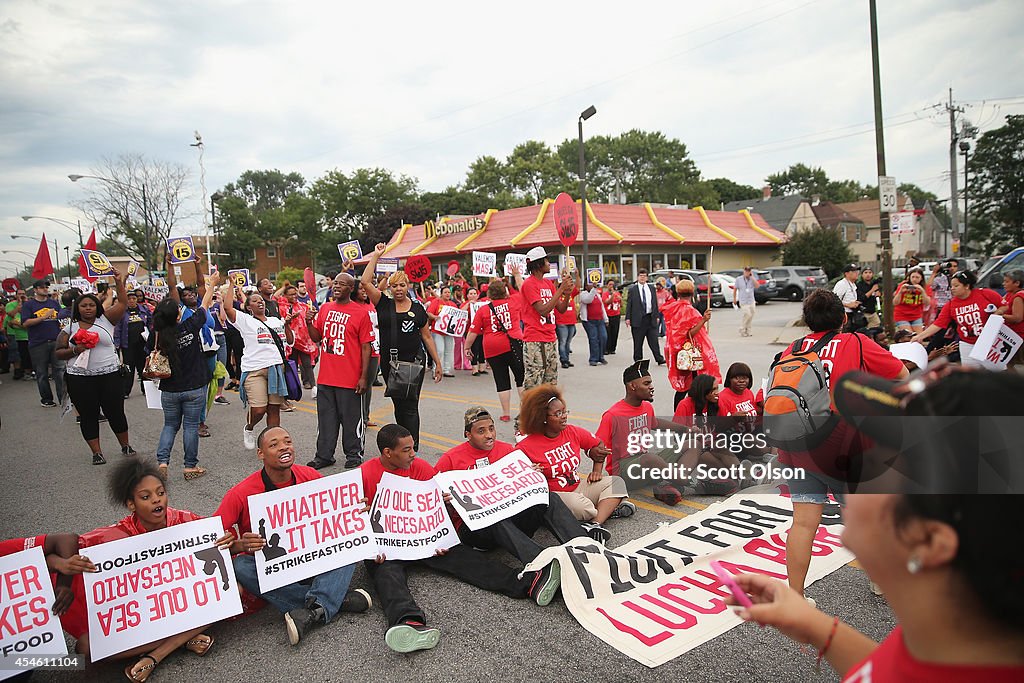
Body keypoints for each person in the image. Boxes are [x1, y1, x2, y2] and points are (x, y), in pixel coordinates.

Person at [731, 370, 1024, 681]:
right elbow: (894, 671)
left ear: (926, 541)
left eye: (875, 463)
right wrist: (814, 627)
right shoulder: (954, 636)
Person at [362, 424, 559, 653]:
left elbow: (437, 508)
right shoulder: (365, 474)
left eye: (413, 447)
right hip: (388, 546)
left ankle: (528, 584)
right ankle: (408, 623)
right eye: (406, 450)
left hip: (423, 539)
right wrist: (371, 546)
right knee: (386, 575)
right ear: (387, 452)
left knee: (467, 559)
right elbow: (354, 520)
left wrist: (442, 526)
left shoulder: (420, 467)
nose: (413, 454)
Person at [776, 289, 908, 600]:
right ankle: (880, 580)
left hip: (796, 443)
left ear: (808, 322)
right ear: (844, 317)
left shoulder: (792, 348)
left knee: (804, 523)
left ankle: (795, 596)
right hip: (841, 445)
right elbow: (900, 375)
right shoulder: (857, 342)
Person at [215, 426, 370, 646]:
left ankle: (311, 610)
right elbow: (211, 538)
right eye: (274, 444)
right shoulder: (240, 493)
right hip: (276, 569)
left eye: (287, 441)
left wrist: (356, 509)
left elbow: (338, 513)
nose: (283, 447)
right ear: (261, 454)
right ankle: (331, 600)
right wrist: (240, 544)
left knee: (350, 540)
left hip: (313, 559)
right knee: (241, 566)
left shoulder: (309, 475)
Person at [68, 458, 217, 679]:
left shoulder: (184, 520)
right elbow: (73, 545)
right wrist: (68, 562)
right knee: (86, 647)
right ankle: (185, 639)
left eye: (160, 493)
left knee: (233, 590)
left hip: (182, 606)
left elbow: (215, 543)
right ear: (131, 504)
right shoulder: (115, 535)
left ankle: (156, 655)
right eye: (146, 497)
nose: (157, 500)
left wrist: (232, 543)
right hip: (143, 616)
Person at [436, 407, 594, 554]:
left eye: (491, 428)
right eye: (481, 431)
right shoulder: (450, 459)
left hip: (512, 519)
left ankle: (585, 546)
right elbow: (429, 498)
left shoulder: (508, 450)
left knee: (549, 497)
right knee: (494, 517)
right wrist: (444, 501)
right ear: (468, 434)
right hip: (477, 530)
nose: (489, 435)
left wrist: (533, 474)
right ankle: (540, 562)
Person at [516, 385, 633, 535]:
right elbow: (515, 476)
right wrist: (529, 472)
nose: (564, 416)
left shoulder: (571, 431)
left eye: (565, 411)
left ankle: (594, 524)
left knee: (616, 483)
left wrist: (597, 471)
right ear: (542, 418)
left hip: (578, 488)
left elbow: (598, 445)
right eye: (558, 413)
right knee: (584, 507)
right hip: (555, 497)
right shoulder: (525, 446)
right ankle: (608, 510)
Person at [362, 244, 443, 452]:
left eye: (402, 285)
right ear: (390, 288)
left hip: (413, 363)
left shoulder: (418, 308)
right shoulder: (383, 303)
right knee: (399, 405)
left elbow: (427, 336)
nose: (398, 289)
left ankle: (412, 446)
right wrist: (377, 255)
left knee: (411, 405)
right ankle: (403, 444)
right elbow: (364, 281)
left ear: (408, 286)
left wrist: (438, 362)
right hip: (390, 364)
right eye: (394, 286)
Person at [597, 360, 707, 505]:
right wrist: (597, 474)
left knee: (692, 444)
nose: (652, 387)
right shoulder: (613, 415)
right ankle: (696, 485)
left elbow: (656, 423)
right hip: (625, 474)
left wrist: (686, 429)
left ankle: (674, 485)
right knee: (650, 458)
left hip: (649, 466)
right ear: (632, 386)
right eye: (646, 383)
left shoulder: (647, 407)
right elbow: (597, 446)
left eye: (651, 383)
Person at [55, 271, 136, 466]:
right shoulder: (70, 328)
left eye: (91, 305)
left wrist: (118, 282)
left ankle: (125, 445)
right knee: (88, 415)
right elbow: (59, 352)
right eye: (84, 305)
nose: (88, 308)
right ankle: (97, 452)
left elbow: (123, 304)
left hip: (109, 375)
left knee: (115, 412)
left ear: (97, 306)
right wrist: (75, 349)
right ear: (77, 308)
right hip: (80, 378)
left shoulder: (106, 320)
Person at [153, 259, 215, 481]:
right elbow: (205, 304)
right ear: (178, 315)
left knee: (170, 425)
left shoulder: (156, 335)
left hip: (169, 388)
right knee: (190, 426)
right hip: (194, 386)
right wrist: (213, 283)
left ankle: (162, 462)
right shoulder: (190, 325)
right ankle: (190, 467)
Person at [304, 272, 372, 470]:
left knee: (352, 421)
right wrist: (309, 322)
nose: (336, 287)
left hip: (350, 378)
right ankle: (324, 455)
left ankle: (354, 454)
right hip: (326, 377)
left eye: (342, 284)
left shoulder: (361, 312)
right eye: (335, 283)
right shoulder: (325, 308)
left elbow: (366, 347)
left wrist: (363, 377)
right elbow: (317, 337)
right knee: (326, 420)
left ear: (351, 289)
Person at [222, 284, 295, 450]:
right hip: (255, 371)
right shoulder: (245, 320)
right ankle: (249, 428)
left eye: (261, 300)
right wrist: (232, 285)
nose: (259, 302)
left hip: (276, 370)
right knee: (260, 409)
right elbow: (227, 307)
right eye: (255, 301)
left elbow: (290, 342)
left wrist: (288, 325)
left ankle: (272, 442)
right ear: (249, 307)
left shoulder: (276, 321)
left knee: (274, 409)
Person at [912, 270, 1003, 367]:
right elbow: (938, 324)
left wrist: (997, 313)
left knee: (997, 371)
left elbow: (1004, 306)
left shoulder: (985, 294)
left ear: (967, 286)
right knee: (970, 375)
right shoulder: (951, 305)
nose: (952, 289)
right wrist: (920, 336)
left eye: (956, 286)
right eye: (951, 286)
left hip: (990, 341)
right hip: (967, 343)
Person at [464, 278, 523, 422]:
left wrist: (467, 347)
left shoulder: (483, 309)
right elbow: (523, 291)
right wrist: (515, 276)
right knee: (521, 378)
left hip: (492, 347)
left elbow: (473, 331)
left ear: (489, 294)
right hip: (514, 344)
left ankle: (506, 413)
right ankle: (524, 411)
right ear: (505, 291)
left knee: (501, 379)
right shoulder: (514, 302)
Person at [519, 247, 574, 389]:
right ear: (538, 264)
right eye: (546, 260)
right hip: (535, 340)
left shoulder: (548, 284)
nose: (549, 263)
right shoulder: (529, 284)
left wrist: (567, 293)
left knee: (550, 383)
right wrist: (561, 289)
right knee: (534, 384)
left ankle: (546, 411)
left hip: (550, 338)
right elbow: (542, 310)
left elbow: (561, 309)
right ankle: (529, 411)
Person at [662, 279, 721, 404]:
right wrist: (703, 320)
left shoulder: (673, 308)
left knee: (683, 386)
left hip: (677, 350)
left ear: (677, 293)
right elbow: (689, 333)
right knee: (692, 384)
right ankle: (689, 411)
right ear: (692, 293)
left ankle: (679, 412)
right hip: (690, 352)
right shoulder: (690, 311)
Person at [20, 279, 65, 406]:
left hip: (55, 341)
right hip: (38, 343)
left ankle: (63, 398)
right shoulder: (29, 305)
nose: (45, 289)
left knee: (60, 371)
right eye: (42, 287)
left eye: (46, 286)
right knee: (42, 373)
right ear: (35, 290)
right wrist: (44, 317)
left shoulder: (54, 303)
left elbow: (60, 319)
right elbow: (25, 323)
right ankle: (46, 399)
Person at [114, 289, 153, 398]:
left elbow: (151, 323)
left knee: (144, 368)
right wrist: (117, 343)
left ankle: (145, 390)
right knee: (129, 369)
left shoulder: (144, 310)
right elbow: (118, 329)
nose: (131, 300)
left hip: (142, 344)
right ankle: (126, 391)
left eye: (134, 298)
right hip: (128, 345)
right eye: (129, 298)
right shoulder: (122, 313)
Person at [278, 284, 318, 390]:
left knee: (307, 364)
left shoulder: (303, 306)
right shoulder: (282, 307)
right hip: (291, 341)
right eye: (291, 295)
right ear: (285, 296)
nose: (294, 296)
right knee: (293, 365)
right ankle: (294, 387)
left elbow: (309, 319)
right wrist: (290, 319)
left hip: (303, 340)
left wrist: (312, 313)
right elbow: (281, 323)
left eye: (295, 294)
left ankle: (314, 386)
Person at [625, 268, 664, 363]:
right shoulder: (633, 289)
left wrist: (657, 315)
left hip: (650, 318)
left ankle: (659, 358)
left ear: (647, 278)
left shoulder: (651, 288)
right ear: (638, 277)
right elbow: (629, 304)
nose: (642, 278)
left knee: (654, 340)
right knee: (638, 342)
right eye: (640, 276)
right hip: (638, 319)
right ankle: (638, 359)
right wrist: (628, 318)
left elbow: (654, 302)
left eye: (644, 276)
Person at [425, 285, 458, 377]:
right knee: (439, 350)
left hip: (449, 331)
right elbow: (429, 313)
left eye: (448, 292)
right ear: (442, 293)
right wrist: (434, 317)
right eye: (445, 292)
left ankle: (446, 369)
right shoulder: (436, 302)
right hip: (438, 331)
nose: (447, 294)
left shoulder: (453, 304)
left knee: (449, 350)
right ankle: (436, 370)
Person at [997, 269, 1024, 367]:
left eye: (1007, 281)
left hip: (1017, 337)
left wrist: (999, 316)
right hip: (1009, 336)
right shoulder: (1008, 295)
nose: (1003, 284)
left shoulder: (1018, 297)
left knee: (1009, 364)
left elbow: (1017, 317)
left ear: (1017, 283)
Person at [579, 280, 608, 366]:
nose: (592, 286)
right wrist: (594, 289)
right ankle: (593, 359)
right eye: (590, 284)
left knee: (603, 337)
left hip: (600, 320)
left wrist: (606, 319)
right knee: (594, 339)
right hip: (590, 321)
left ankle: (601, 356)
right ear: (586, 286)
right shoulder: (583, 294)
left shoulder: (597, 294)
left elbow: (601, 306)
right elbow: (588, 300)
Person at [554, 271, 580, 369]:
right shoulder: (558, 295)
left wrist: (576, 275)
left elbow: (577, 287)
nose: (568, 288)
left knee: (568, 342)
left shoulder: (570, 294)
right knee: (563, 342)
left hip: (571, 322)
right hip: (561, 323)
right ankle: (563, 360)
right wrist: (558, 277)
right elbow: (554, 287)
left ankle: (567, 359)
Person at [4, 288, 31, 380]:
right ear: (16, 295)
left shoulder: (28, 304)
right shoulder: (10, 304)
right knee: (17, 353)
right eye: (19, 294)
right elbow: (11, 315)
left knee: (29, 354)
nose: (21, 295)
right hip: (15, 333)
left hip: (28, 333)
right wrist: (19, 304)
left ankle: (30, 370)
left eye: (23, 294)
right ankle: (18, 371)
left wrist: (25, 302)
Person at [461, 287, 488, 376]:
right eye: (471, 294)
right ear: (467, 295)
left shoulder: (481, 304)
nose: (473, 295)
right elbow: (461, 312)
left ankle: (482, 367)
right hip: (470, 331)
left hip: (482, 331)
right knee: (474, 349)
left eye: (474, 294)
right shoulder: (466, 304)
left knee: (482, 349)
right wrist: (469, 304)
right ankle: (474, 369)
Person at [733, 266, 758, 337]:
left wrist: (752, 277)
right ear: (744, 271)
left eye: (748, 271)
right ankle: (742, 329)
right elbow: (735, 289)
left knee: (751, 315)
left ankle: (748, 330)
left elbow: (757, 286)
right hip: (743, 300)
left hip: (751, 300)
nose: (747, 272)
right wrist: (734, 299)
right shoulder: (739, 279)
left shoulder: (752, 279)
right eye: (746, 271)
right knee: (747, 314)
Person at [603, 280, 622, 354]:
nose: (611, 286)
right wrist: (613, 295)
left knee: (615, 332)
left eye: (613, 285)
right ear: (607, 286)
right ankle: (606, 348)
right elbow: (607, 302)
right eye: (610, 284)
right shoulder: (605, 294)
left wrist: (620, 298)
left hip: (616, 315)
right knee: (608, 332)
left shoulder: (617, 293)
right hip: (608, 315)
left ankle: (613, 348)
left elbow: (621, 304)